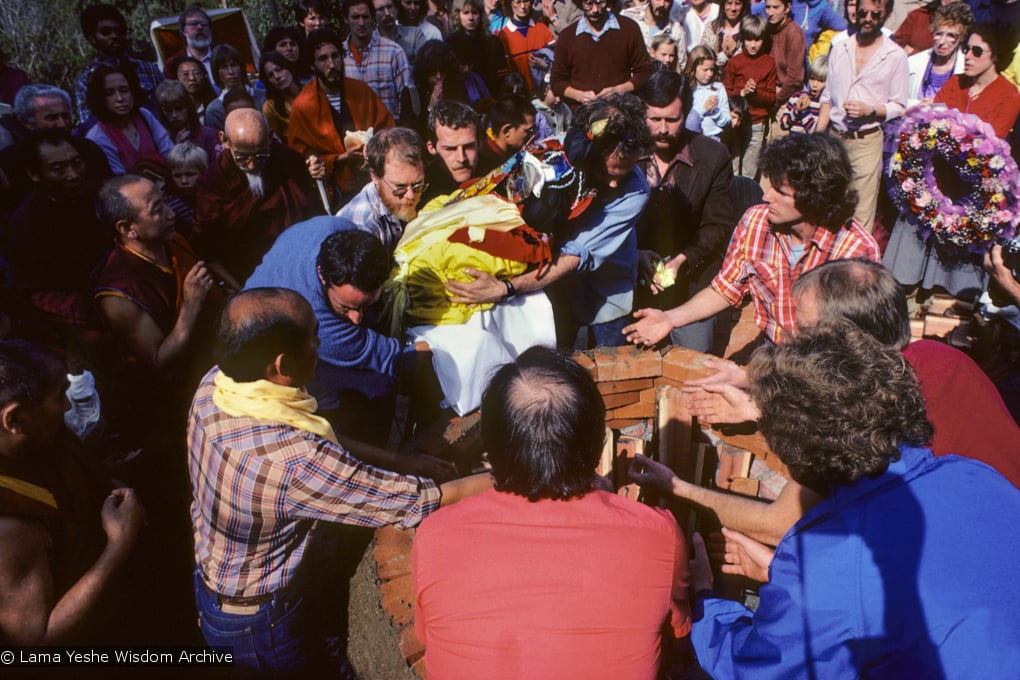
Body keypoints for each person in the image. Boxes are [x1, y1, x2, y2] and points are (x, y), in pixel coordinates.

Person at [681, 324, 1020, 677]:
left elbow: (755, 667)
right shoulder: (973, 473)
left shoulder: (826, 560)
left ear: (795, 455)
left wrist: (705, 600)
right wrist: (785, 578)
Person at [189, 287, 489, 675]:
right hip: (257, 621)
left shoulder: (218, 387)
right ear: (281, 365)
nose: (322, 341)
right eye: (315, 335)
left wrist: (400, 459)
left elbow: (318, 437)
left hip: (220, 579)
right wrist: (506, 478)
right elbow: (413, 502)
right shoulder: (295, 463)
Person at [631, 258, 1020, 547]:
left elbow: (777, 524)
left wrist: (676, 487)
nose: (790, 338)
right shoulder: (941, 356)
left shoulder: (849, 417)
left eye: (803, 330)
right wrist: (755, 391)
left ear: (847, 342)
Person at [414, 346, 691, 679]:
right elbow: (677, 632)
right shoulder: (657, 534)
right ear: (596, 448)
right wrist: (702, 587)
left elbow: (427, 635)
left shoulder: (434, 534)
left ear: (491, 452)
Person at [623, 133, 880, 347]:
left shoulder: (855, 251)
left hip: (825, 359)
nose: (766, 197)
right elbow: (725, 289)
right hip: (773, 347)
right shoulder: (756, 222)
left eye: (780, 192)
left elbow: (853, 344)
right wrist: (669, 319)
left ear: (815, 196)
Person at [448, 93, 653, 349]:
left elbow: (573, 257)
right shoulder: (554, 153)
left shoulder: (636, 192)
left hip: (606, 290)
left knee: (611, 369)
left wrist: (506, 288)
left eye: (624, 172)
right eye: (608, 172)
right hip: (549, 286)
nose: (614, 183)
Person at [0, 341, 144, 644]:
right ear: (14, 420)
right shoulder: (9, 530)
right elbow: (37, 639)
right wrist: (119, 544)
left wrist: (103, 474)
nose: (67, 406)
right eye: (58, 397)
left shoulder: (32, 435)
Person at [245, 227, 428, 445]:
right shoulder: (319, 324)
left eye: (365, 305)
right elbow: (398, 359)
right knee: (377, 385)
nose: (356, 318)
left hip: (262, 307)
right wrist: (444, 347)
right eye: (345, 307)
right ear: (323, 276)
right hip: (269, 365)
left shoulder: (337, 229)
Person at [635, 70, 735, 353]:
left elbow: (718, 226)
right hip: (631, 269)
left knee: (693, 358)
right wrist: (634, 254)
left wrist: (681, 260)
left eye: (672, 120)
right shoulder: (625, 154)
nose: (663, 129)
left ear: (687, 114)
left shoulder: (713, 156)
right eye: (654, 120)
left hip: (691, 273)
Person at [94, 175, 216, 371]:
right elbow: (159, 361)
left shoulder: (173, 241)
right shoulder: (117, 296)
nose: (172, 214)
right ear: (127, 229)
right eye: (157, 209)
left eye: (165, 201)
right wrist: (190, 306)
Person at [194, 108, 324, 286]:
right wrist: (241, 290)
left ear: (270, 136)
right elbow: (209, 249)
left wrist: (314, 168)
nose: (252, 164)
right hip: (247, 274)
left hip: (297, 261)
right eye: (241, 156)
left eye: (261, 155)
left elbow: (311, 207)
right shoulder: (213, 183)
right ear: (224, 140)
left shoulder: (284, 158)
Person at [6, 133, 111, 340]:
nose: (72, 175)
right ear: (34, 174)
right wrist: (101, 311)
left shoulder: (101, 194)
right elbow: (33, 294)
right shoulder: (25, 223)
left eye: (76, 163)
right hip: (81, 317)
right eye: (58, 168)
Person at [817, 0, 907, 233]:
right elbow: (827, 96)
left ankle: (856, 265)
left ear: (886, 14)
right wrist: (818, 135)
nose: (867, 18)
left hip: (866, 141)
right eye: (863, 12)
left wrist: (872, 110)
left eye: (875, 15)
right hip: (835, 138)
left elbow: (899, 104)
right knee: (829, 202)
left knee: (861, 212)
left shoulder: (895, 55)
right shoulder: (840, 47)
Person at [288, 28, 396, 202]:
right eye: (323, 59)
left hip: (375, 178)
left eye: (335, 56)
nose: (332, 64)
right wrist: (337, 159)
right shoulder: (303, 106)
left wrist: (375, 147)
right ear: (311, 65)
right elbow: (300, 157)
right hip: (335, 191)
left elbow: (388, 129)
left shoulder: (361, 90)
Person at [335, 127, 427, 252]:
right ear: (374, 176)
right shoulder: (364, 227)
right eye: (400, 188)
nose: (411, 195)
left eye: (417, 184)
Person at [550, 0, 653, 105]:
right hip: (582, 114)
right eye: (589, 4)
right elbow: (556, 82)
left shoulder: (629, 29)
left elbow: (645, 71)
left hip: (621, 111)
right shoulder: (567, 36)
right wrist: (579, 95)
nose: (595, 10)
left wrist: (620, 90)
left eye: (600, 3)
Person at [75, 4, 164, 123]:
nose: (114, 35)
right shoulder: (86, 81)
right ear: (92, 38)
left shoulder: (148, 69)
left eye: (118, 31)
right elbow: (89, 124)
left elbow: (170, 106)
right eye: (106, 32)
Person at [933, 22, 1020, 138]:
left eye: (977, 51)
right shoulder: (955, 82)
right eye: (966, 49)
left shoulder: (1009, 95)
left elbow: (994, 141)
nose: (968, 56)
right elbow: (933, 119)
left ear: (996, 56)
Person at [84, 64, 174, 175]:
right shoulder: (97, 137)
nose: (119, 98)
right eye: (109, 93)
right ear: (100, 98)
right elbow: (119, 180)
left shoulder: (145, 116)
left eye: (124, 90)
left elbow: (169, 153)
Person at [722, 15, 776, 178]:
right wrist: (742, 94)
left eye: (757, 40)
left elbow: (771, 98)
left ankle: (746, 199)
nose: (753, 45)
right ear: (743, 39)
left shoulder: (769, 62)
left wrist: (756, 94)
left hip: (756, 123)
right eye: (749, 39)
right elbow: (726, 93)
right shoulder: (735, 62)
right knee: (732, 164)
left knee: (749, 169)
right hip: (736, 122)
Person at [342, 0, 415, 121]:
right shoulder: (338, 56)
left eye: (365, 17)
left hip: (388, 132)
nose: (361, 23)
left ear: (373, 17)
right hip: (352, 134)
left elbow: (407, 101)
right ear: (346, 19)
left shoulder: (394, 52)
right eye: (355, 17)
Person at [905, 1, 971, 106]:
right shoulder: (912, 63)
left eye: (951, 35)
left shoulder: (967, 68)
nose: (941, 42)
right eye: (939, 34)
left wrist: (937, 103)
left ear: (962, 37)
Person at [446, 0, 512, 94]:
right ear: (458, 15)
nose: (471, 18)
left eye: (474, 13)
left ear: (481, 15)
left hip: (491, 97)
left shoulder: (493, 42)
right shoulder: (451, 43)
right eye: (466, 13)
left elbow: (502, 77)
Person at [203, 44, 267, 133]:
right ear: (216, 73)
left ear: (241, 67)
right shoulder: (214, 110)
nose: (230, 72)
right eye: (224, 67)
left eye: (233, 65)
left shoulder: (263, 96)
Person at [153, 79, 220, 162]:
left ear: (188, 106)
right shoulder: (161, 142)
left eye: (179, 108)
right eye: (168, 110)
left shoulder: (209, 135)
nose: (174, 115)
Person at [499, 0, 556, 94]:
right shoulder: (504, 36)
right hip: (520, 95)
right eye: (518, 2)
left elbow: (557, 60)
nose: (523, 6)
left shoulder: (542, 29)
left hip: (543, 92)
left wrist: (546, 65)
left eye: (526, 1)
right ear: (510, 3)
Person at [476, 93, 537, 174]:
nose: (532, 135)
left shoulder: (509, 151)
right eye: (528, 131)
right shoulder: (490, 167)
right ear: (507, 131)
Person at [763, 0, 806, 109]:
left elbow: (794, 77)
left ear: (787, 8)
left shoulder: (793, 33)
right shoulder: (768, 29)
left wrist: (776, 100)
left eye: (776, 7)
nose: (770, 12)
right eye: (768, 7)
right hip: (768, 90)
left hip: (786, 96)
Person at [620, 0, 688, 69]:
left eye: (667, 1)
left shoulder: (676, 31)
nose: (662, 4)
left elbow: (681, 65)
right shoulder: (629, 18)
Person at [683, 45, 730, 140]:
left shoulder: (718, 88)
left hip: (714, 139)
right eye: (705, 70)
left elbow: (727, 120)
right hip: (692, 138)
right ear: (693, 67)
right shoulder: (686, 89)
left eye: (711, 69)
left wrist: (715, 111)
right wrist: (704, 109)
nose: (710, 74)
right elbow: (686, 119)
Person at [163, 6, 217, 86]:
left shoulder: (224, 55)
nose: (200, 27)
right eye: (193, 24)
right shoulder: (173, 64)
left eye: (204, 24)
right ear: (183, 31)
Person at [260, 51, 304, 141]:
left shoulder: (311, 91)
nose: (277, 76)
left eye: (279, 69)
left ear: (289, 68)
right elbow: (276, 142)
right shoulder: (269, 108)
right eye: (270, 75)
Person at [778, 53, 827, 133]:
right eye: (812, 79)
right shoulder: (797, 96)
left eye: (820, 81)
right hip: (793, 143)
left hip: (809, 144)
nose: (814, 85)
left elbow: (815, 133)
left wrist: (804, 111)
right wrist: (796, 110)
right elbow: (783, 125)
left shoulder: (825, 104)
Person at [375, 0, 429, 67]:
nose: (387, 13)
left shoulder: (415, 35)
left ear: (396, 8)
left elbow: (424, 65)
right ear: (373, 14)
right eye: (380, 9)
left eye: (389, 7)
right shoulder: (369, 41)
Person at [701, 0, 749, 67]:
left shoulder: (749, 29)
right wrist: (724, 55)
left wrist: (736, 51)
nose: (733, 8)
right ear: (723, 4)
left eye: (737, 3)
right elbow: (703, 61)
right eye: (729, 3)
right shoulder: (712, 28)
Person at [172, 56, 217, 125]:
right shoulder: (175, 112)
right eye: (185, 74)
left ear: (203, 76)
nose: (192, 78)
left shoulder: (214, 106)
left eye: (197, 73)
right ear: (177, 79)